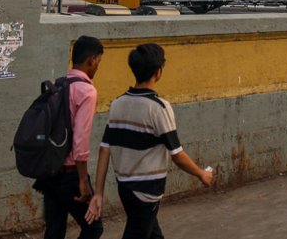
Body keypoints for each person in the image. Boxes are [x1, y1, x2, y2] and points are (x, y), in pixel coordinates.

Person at [85, 43, 214, 239]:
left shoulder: (117, 104)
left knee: (152, 234)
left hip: (125, 188)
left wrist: (99, 193)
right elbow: (177, 155)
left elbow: (104, 149)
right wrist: (201, 174)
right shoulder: (159, 108)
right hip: (146, 192)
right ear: (158, 72)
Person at [38, 35, 105, 239]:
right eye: (98, 62)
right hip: (70, 174)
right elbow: (80, 141)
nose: (97, 68)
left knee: (55, 229)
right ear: (91, 60)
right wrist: (83, 179)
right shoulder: (87, 91)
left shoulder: (57, 85)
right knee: (93, 227)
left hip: (49, 172)